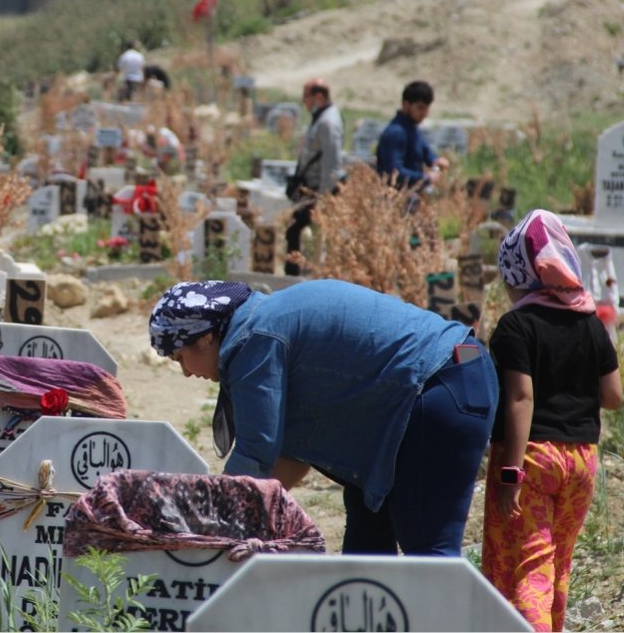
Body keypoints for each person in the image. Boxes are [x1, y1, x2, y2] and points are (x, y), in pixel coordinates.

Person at [149, 279, 498, 556]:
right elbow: (288, 457)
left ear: (206, 338)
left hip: (439, 389)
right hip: (440, 385)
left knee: (428, 552)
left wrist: (204, 529)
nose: (186, 373)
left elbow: (257, 453)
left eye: (180, 358)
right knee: (366, 544)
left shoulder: (256, 338)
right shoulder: (263, 323)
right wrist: (236, 524)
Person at [482, 210, 623, 632]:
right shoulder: (590, 323)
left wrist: (511, 470)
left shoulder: (514, 327)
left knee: (526, 566)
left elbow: (521, 398)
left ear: (520, 275)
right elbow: (614, 397)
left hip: (532, 458)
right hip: (582, 459)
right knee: (556, 565)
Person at [284, 78, 345, 276]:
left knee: (299, 233)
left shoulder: (328, 122)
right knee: (297, 233)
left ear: (318, 97)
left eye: (307, 97)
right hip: (310, 190)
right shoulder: (322, 118)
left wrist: (323, 197)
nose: (305, 103)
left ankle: (295, 278)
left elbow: (331, 164)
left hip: (317, 192)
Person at [375, 80, 449, 188]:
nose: (424, 113)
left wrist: (435, 161)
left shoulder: (412, 128)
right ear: (406, 104)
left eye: (426, 108)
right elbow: (394, 172)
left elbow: (424, 151)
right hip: (396, 199)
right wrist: (425, 178)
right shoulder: (396, 132)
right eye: (420, 108)